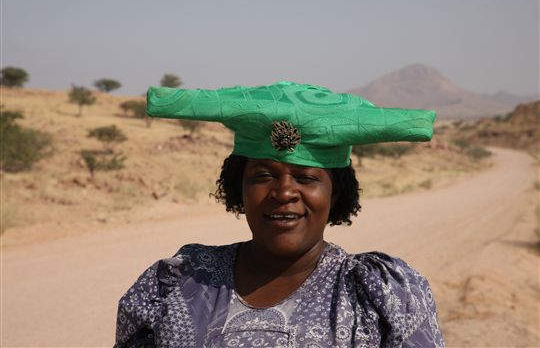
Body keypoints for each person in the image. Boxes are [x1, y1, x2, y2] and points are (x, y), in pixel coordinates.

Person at [114, 82, 445, 347]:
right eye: (263, 176)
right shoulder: (179, 282)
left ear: (336, 192)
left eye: (305, 177)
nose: (284, 192)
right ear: (238, 188)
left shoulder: (383, 293)